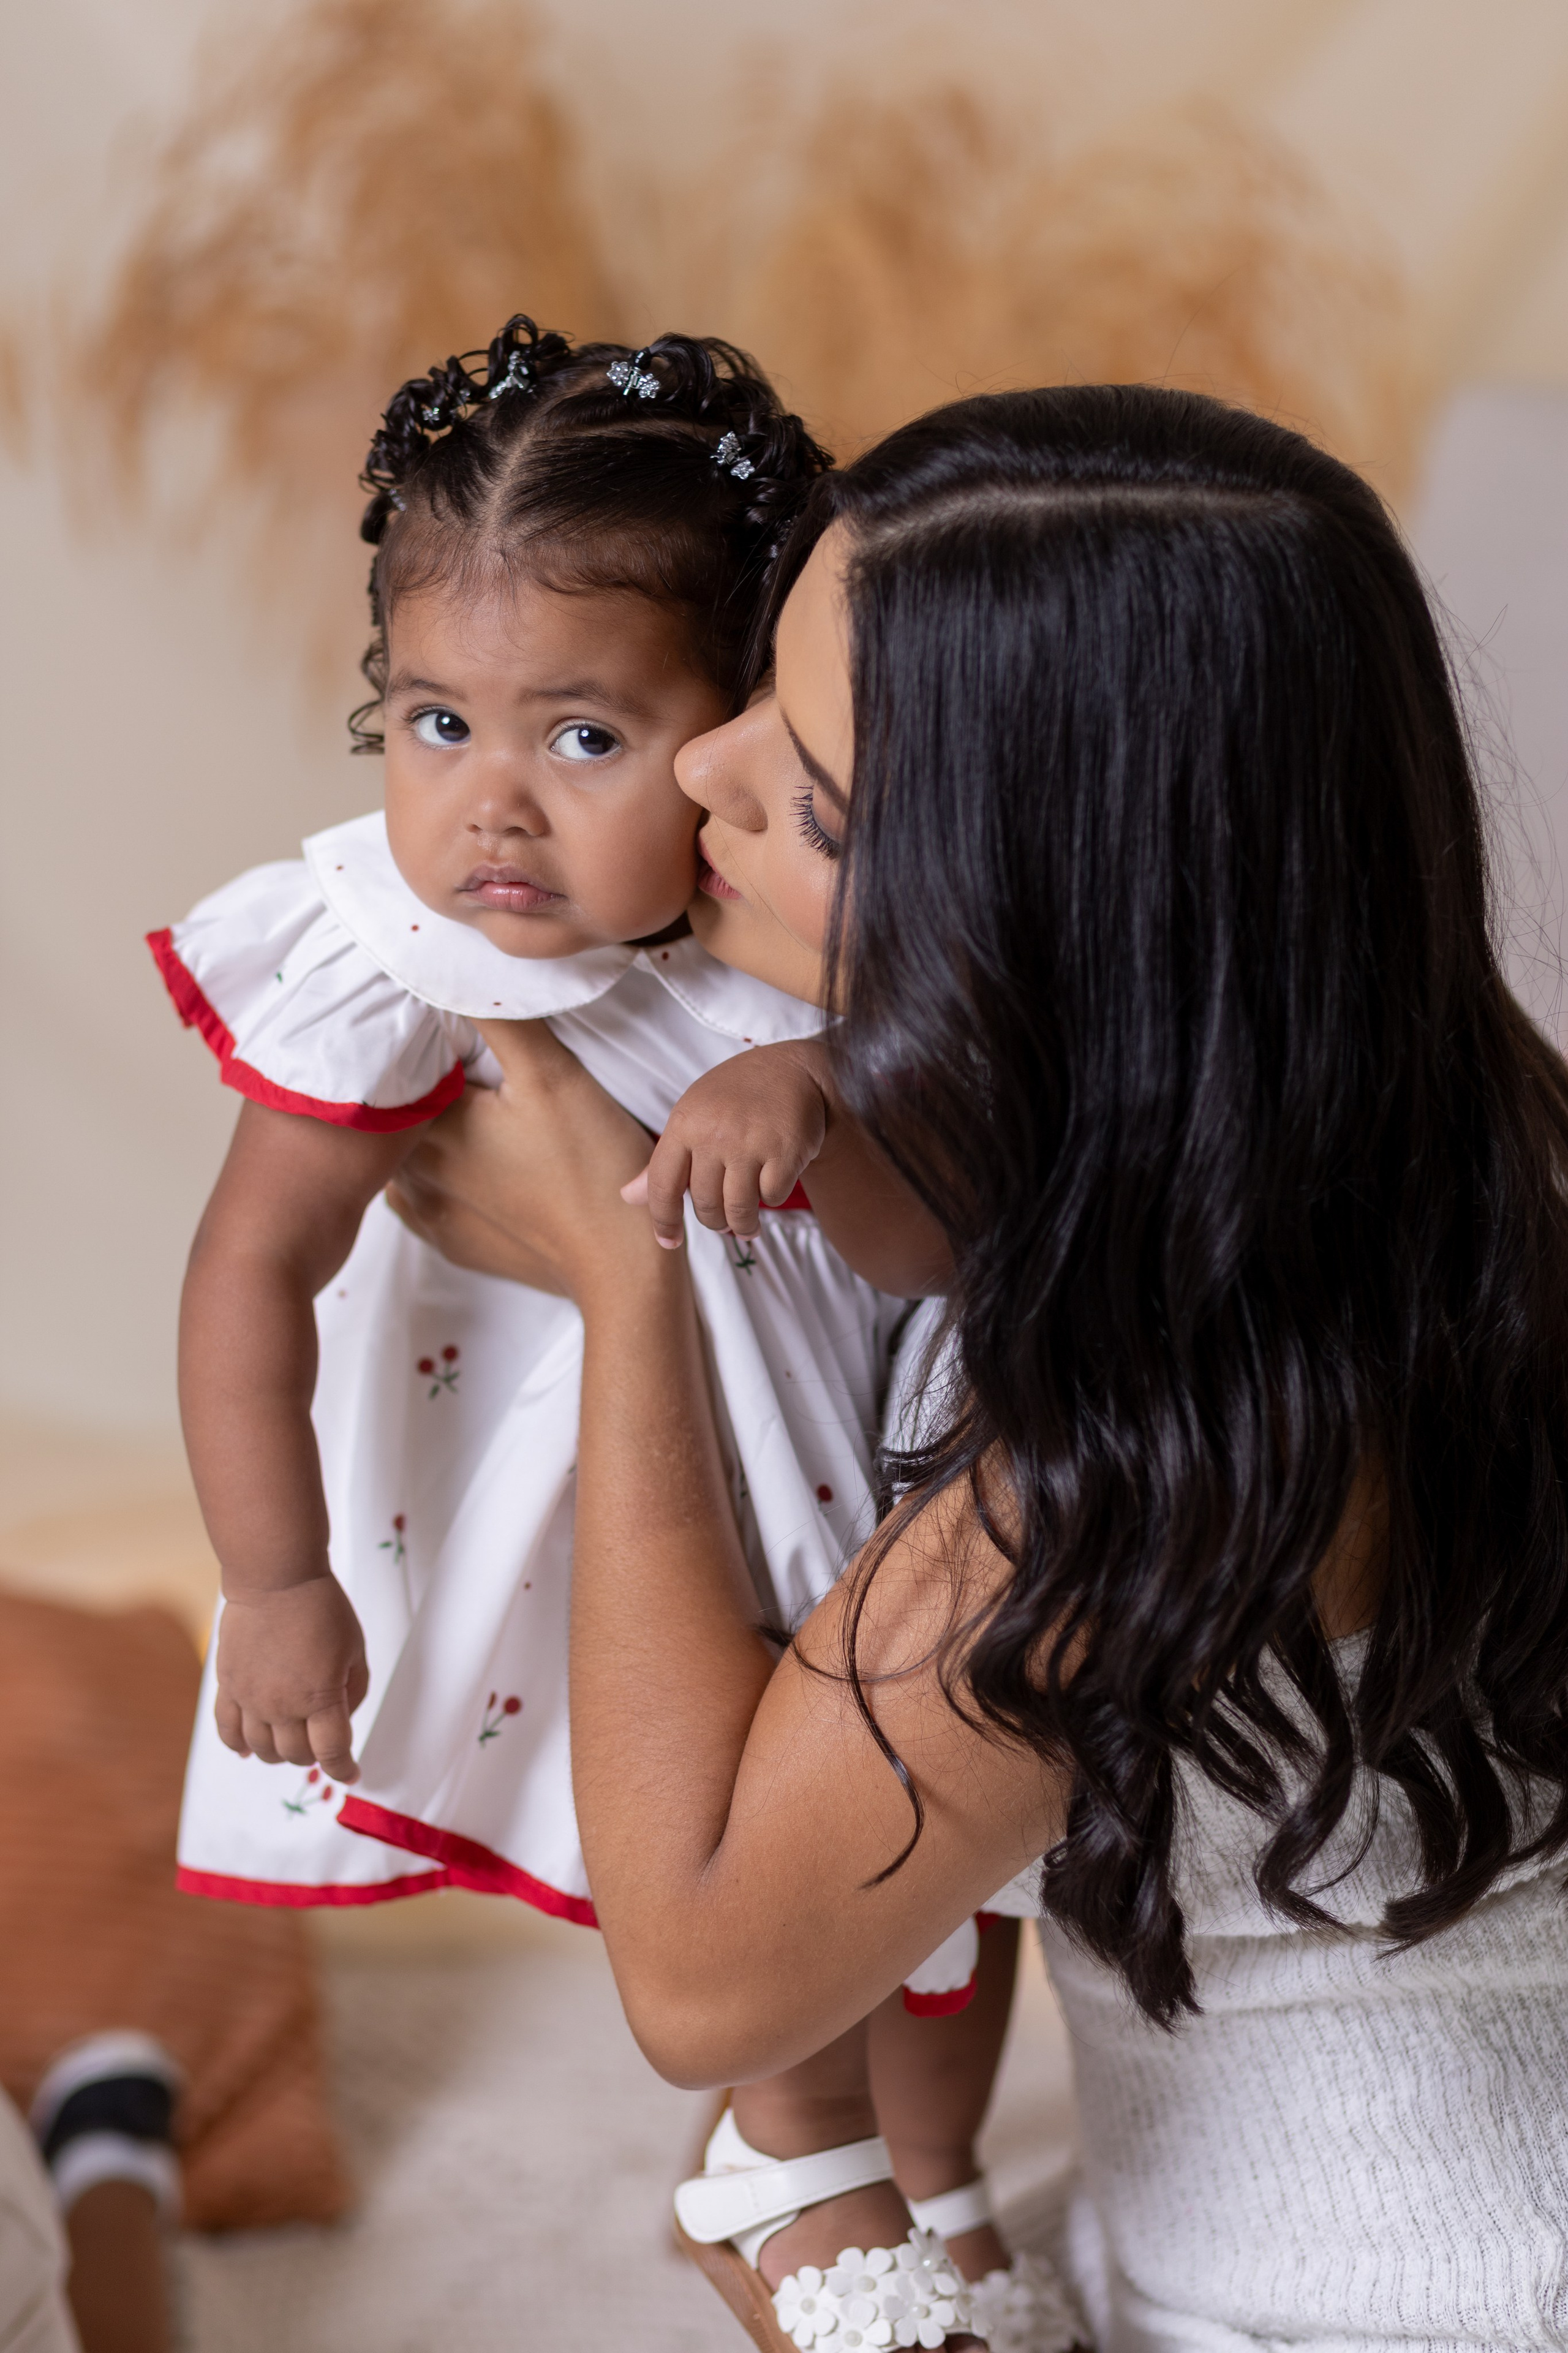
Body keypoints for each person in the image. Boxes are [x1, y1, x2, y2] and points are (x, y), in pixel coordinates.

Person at [390, 383, 1568, 2352]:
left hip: (1387, 2310)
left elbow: (701, 1967)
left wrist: (624, 1273)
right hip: (1347, 2216)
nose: (709, 778)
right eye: (760, 684)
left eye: (818, 804)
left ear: (1053, 936)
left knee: (777, 2175)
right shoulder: (1457, 1188)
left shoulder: (1155, 1465)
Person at [148, 318, 1063, 2347]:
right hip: (611, 1532)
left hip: (857, 1490)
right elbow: (249, 1269)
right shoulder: (394, 960)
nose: (493, 809)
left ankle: (946, 2173)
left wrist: (817, 1098)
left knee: (942, 1888)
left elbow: (935, 1254)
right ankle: (802, 2166)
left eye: (583, 739)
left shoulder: (815, 931)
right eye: (431, 723)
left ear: (740, 730)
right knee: (760, 1893)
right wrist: (274, 1573)